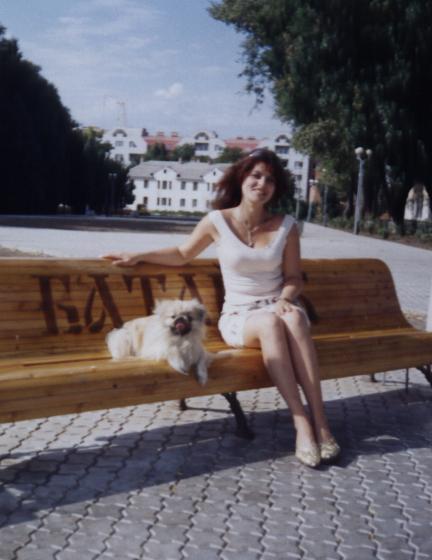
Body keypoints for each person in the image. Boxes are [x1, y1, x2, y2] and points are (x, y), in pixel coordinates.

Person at [103, 149, 340, 468]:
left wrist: (285, 298)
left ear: (276, 188)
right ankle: (301, 423)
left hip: (277, 306)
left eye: (270, 179)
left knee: (295, 318)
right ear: (242, 178)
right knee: (271, 323)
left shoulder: (286, 226)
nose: (262, 184)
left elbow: (294, 278)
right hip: (241, 317)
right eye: (256, 175)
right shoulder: (218, 221)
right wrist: (138, 256)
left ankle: (322, 424)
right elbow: (182, 253)